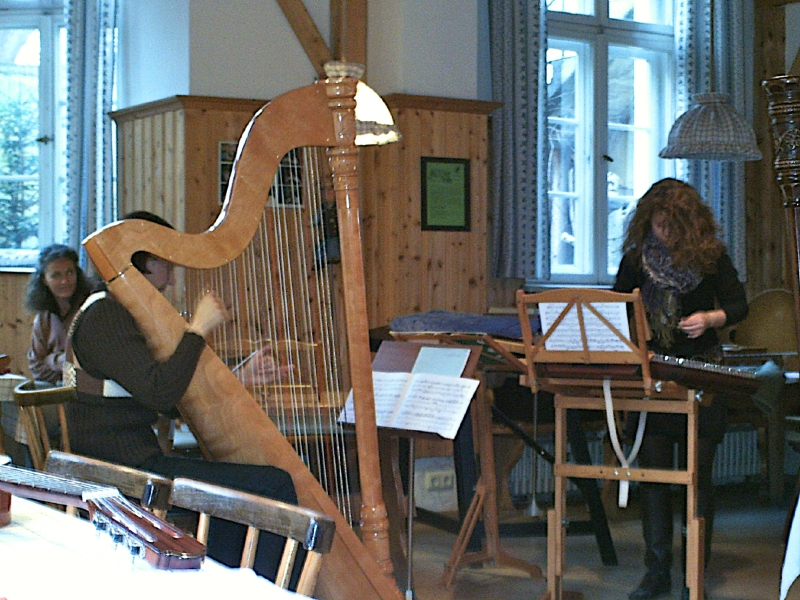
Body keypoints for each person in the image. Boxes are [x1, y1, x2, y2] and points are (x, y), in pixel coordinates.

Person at [65, 211, 298, 580]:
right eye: (167, 265)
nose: (172, 279)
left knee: (246, 485)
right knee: (274, 485)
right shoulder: (104, 316)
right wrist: (198, 329)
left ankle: (224, 582)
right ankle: (266, 589)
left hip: (134, 465)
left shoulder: (111, 311)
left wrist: (240, 376)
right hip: (125, 474)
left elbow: (167, 395)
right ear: (144, 260)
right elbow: (160, 393)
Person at [613, 178, 748, 600]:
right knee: (653, 479)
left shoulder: (711, 257)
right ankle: (656, 572)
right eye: (658, 225)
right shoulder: (636, 260)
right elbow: (617, 307)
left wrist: (710, 319)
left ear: (689, 225)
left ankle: (694, 574)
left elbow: (739, 305)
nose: (664, 233)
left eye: (672, 226)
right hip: (654, 377)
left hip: (702, 375)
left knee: (698, 479)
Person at [25, 244, 94, 384]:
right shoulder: (43, 318)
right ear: (44, 279)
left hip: (90, 388)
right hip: (54, 388)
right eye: (56, 275)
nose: (65, 281)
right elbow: (36, 366)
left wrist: (51, 359)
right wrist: (60, 363)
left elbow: (90, 361)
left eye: (70, 273)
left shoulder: (91, 308)